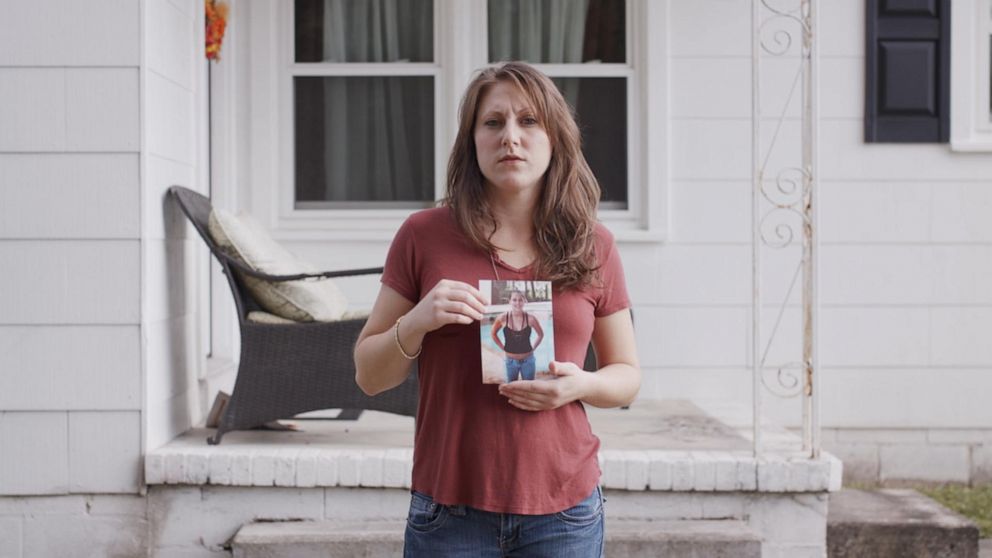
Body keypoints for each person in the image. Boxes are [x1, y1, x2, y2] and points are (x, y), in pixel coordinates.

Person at [353, 61, 640, 557]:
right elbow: (369, 376)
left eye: (529, 121)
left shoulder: (595, 244)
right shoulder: (423, 235)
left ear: (556, 139)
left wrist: (583, 384)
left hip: (565, 510)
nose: (511, 136)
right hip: (449, 511)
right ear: (472, 140)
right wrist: (418, 320)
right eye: (494, 122)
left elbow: (627, 374)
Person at [490, 289, 545, 382]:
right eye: (514, 300)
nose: (517, 303)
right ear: (510, 301)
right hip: (510, 362)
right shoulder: (502, 318)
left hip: (528, 361)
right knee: (511, 389)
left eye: (520, 300)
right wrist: (502, 347)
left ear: (524, 301)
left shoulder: (531, 319)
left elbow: (541, 335)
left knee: (529, 388)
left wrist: (533, 348)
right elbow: (493, 334)